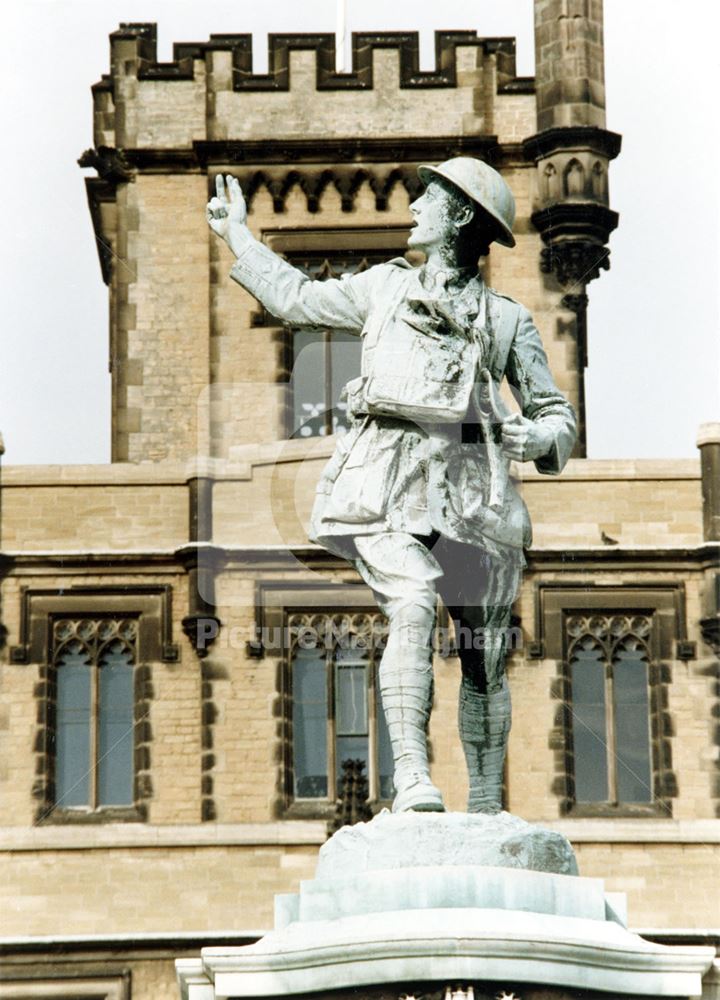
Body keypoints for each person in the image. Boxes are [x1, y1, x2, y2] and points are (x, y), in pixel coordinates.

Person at [206, 159, 576, 814]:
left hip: (471, 491)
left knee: (482, 651)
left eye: (428, 199)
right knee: (411, 603)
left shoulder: (506, 319)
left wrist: (540, 439)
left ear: (459, 216)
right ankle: (412, 776)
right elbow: (296, 299)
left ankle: (486, 801)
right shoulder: (383, 288)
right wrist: (239, 236)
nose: (413, 208)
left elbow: (556, 415)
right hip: (386, 481)